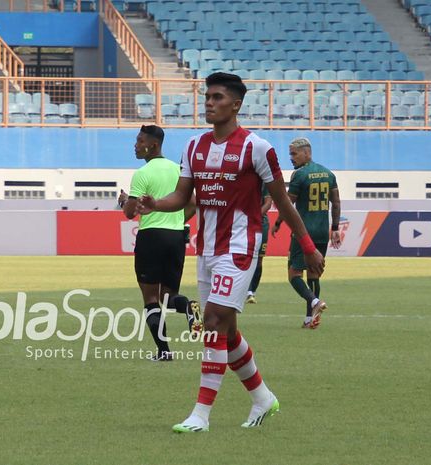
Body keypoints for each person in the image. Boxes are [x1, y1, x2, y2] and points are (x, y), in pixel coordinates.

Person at [136, 72, 325, 432]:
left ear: (236, 104)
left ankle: (201, 415)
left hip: (240, 247)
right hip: (206, 248)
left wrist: (307, 246)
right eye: (207, 96)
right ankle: (263, 398)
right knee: (228, 330)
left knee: (211, 322)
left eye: (218, 97)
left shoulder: (257, 148)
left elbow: (283, 202)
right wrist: (155, 204)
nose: (209, 102)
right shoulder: (193, 146)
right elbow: (183, 196)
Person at [118, 125, 201, 362]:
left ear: (152, 144)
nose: (135, 145)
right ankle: (188, 307)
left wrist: (124, 200)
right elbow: (194, 204)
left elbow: (129, 213)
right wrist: (175, 220)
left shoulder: (142, 173)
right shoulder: (178, 170)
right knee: (169, 295)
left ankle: (164, 351)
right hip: (176, 237)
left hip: (151, 236)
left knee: (151, 298)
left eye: (139, 140)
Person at [271, 137, 341, 329]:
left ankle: (314, 302)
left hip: (304, 232)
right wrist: (335, 228)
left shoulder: (299, 175)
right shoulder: (328, 174)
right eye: (290, 154)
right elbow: (336, 202)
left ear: (306, 152)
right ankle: (310, 318)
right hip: (321, 231)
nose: (291, 158)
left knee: (294, 274)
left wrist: (277, 222)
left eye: (294, 153)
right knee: (314, 273)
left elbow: (288, 203)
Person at [245, 184, 272, 304]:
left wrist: (255, 216)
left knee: (259, 259)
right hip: (242, 223)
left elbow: (268, 203)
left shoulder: (263, 181)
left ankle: (251, 292)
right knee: (243, 256)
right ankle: (241, 289)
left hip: (261, 224)